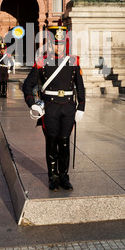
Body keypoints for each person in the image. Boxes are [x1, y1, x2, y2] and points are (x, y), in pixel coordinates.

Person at [22, 24, 85, 192]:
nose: (59, 46)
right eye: (56, 43)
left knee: (64, 143)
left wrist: (81, 107)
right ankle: (52, 177)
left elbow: (80, 86)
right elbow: (28, 86)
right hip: (50, 108)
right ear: (50, 43)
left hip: (68, 108)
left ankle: (64, 176)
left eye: (62, 43)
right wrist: (33, 104)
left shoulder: (73, 61)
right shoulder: (42, 61)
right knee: (51, 143)